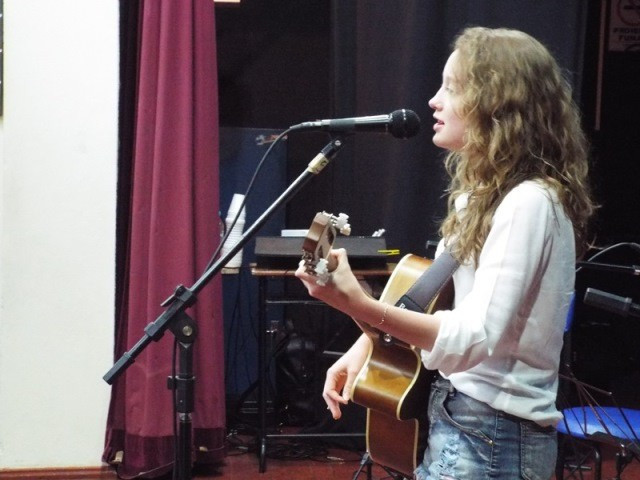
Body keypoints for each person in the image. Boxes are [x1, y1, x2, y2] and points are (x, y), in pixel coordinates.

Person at [295, 26, 596, 479]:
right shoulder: (481, 197)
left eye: (452, 88)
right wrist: (367, 343)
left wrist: (357, 304)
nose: (434, 101)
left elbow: (475, 337)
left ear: (498, 104)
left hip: (493, 439)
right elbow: (435, 296)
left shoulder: (529, 203)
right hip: (466, 425)